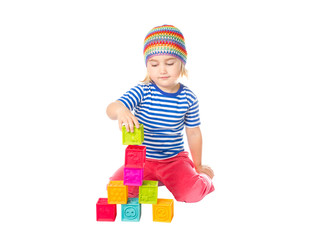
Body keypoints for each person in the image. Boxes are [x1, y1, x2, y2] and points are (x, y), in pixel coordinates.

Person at [106, 24, 214, 203]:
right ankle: (153, 180)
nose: (162, 70)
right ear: (147, 66)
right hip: (141, 161)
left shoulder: (188, 98)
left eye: (170, 63)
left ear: (182, 63)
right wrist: (121, 110)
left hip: (174, 161)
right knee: (117, 189)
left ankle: (204, 180)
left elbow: (193, 132)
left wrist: (198, 165)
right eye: (154, 64)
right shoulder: (142, 91)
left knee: (191, 194)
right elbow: (111, 109)